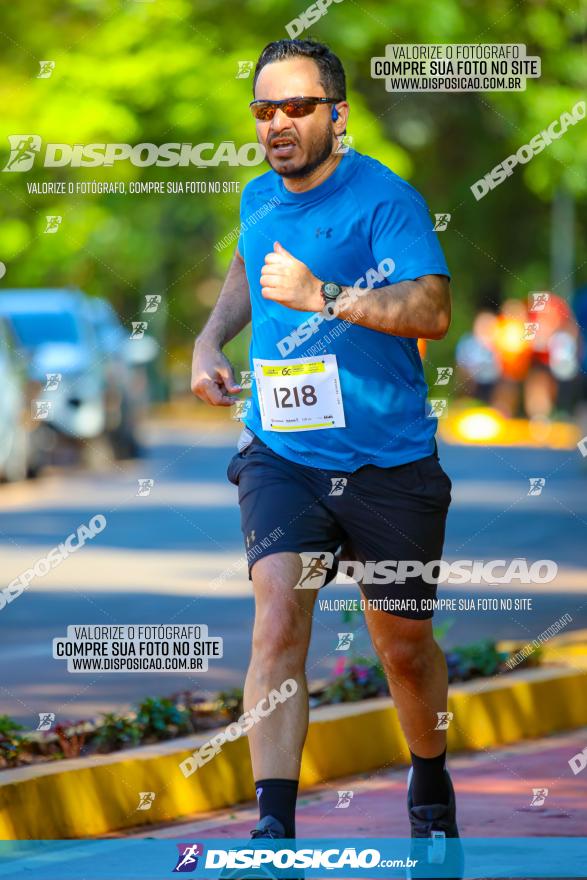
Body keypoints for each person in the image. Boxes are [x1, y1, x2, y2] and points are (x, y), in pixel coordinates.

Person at [191, 38, 462, 874]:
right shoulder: (256, 197)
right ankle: (274, 822)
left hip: (388, 460)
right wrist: (207, 340)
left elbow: (432, 309)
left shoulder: (387, 200)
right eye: (264, 110)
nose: (278, 124)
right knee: (277, 616)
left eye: (297, 107)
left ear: (335, 116)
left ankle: (429, 780)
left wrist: (325, 297)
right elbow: (245, 269)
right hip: (284, 454)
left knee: (401, 647)